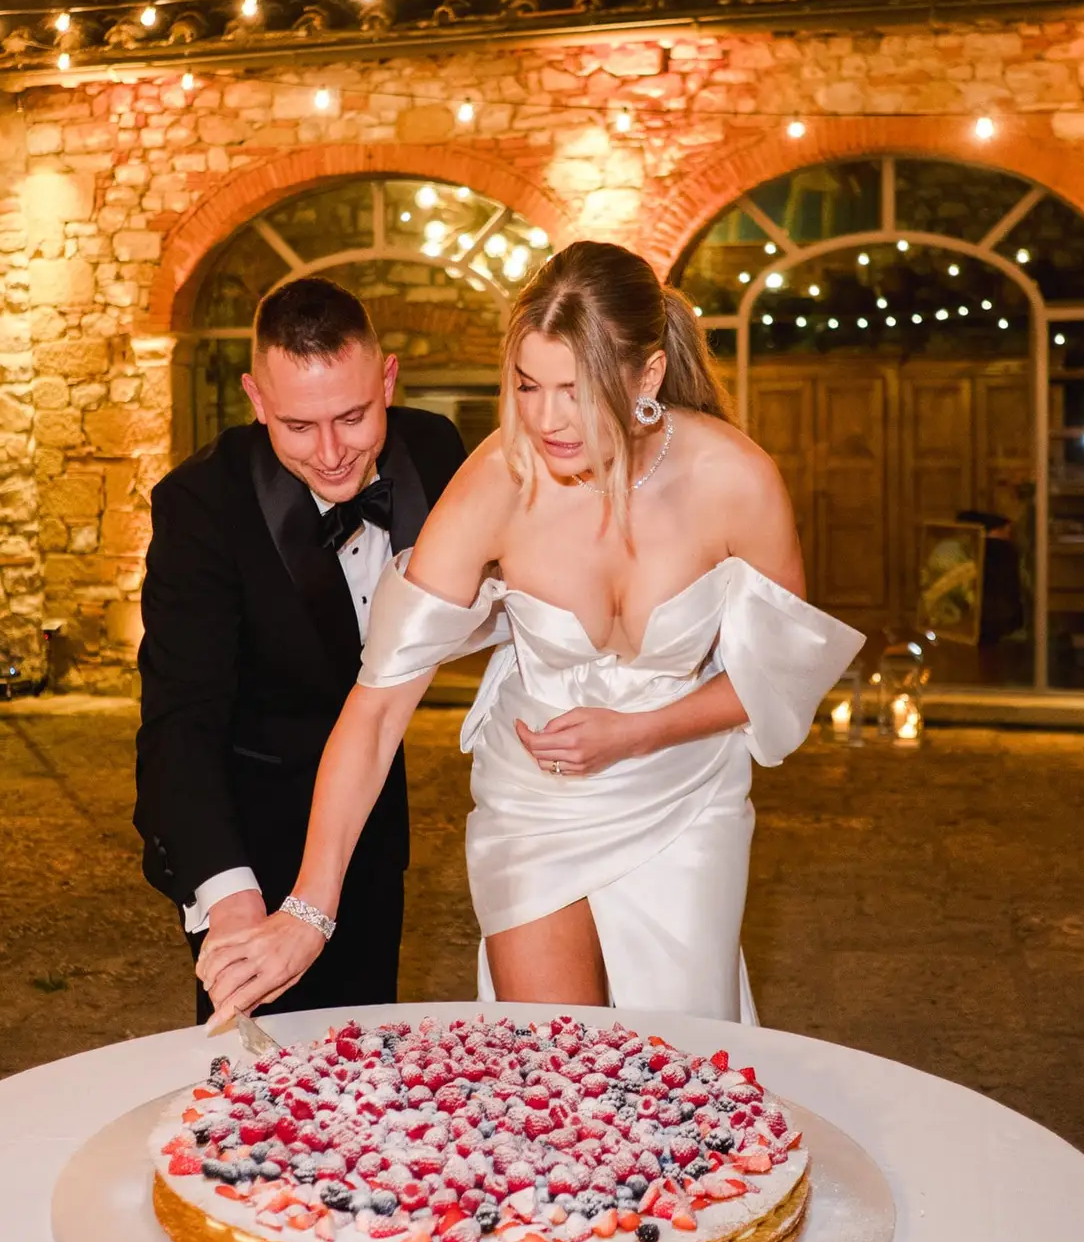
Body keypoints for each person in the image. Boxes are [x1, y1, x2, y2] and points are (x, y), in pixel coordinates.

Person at [197, 242, 864, 1025]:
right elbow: (377, 709)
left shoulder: (735, 480)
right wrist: (308, 911)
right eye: (527, 386)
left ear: (646, 377)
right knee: (554, 1059)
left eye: (575, 391)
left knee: (678, 1059)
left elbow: (779, 678)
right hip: (532, 802)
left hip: (686, 796)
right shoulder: (494, 485)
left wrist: (640, 732)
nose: (546, 420)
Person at [134, 275, 466, 1021]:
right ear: (256, 401)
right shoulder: (200, 506)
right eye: (297, 427)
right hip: (249, 832)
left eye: (353, 417)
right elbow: (180, 721)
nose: (331, 454)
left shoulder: (438, 453)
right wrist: (229, 900)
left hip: (373, 822)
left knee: (369, 1052)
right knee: (258, 1089)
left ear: (387, 380)